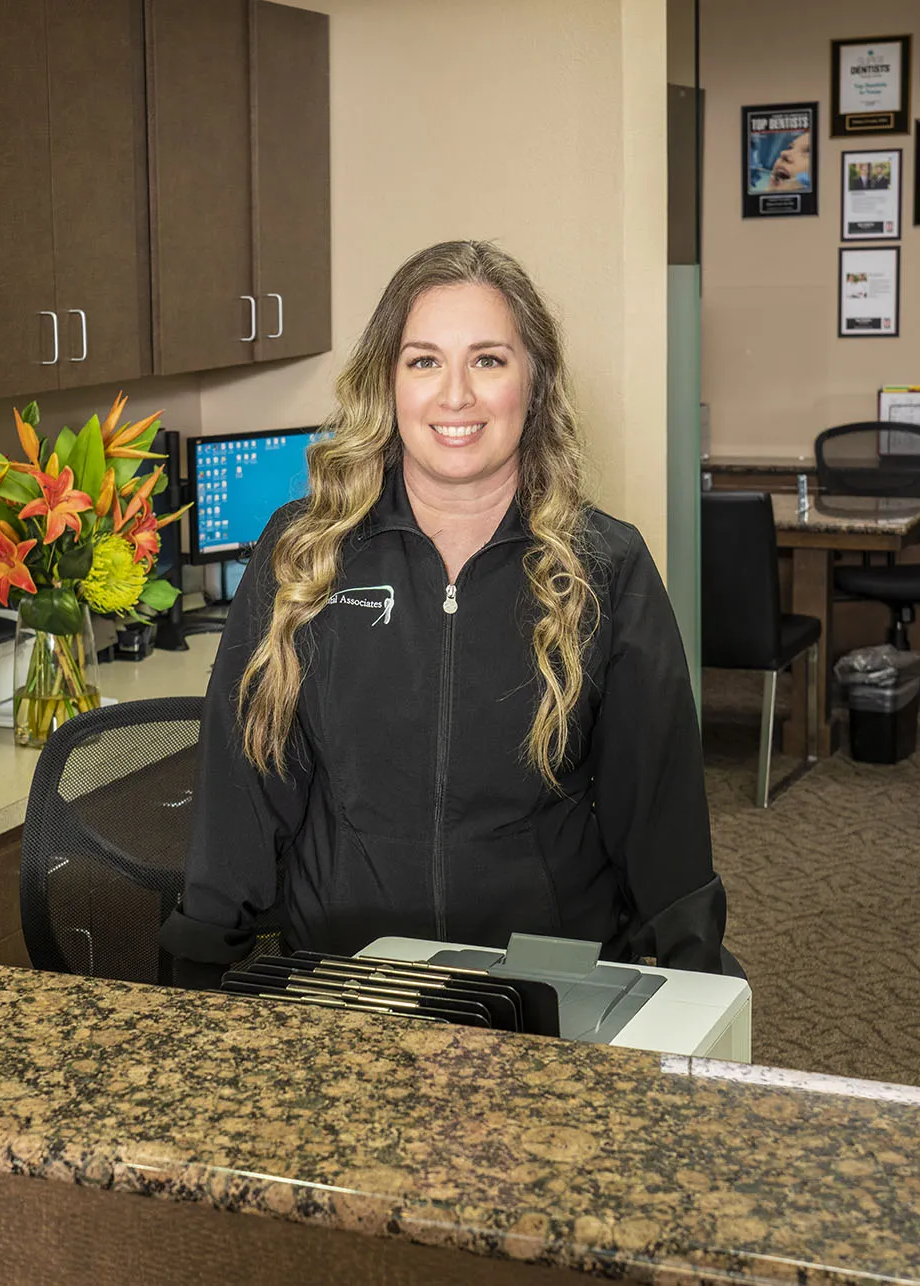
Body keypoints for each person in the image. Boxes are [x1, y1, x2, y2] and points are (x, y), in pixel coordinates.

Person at [158, 241, 728, 989]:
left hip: (540, 993)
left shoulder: (604, 567)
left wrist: (698, 986)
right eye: (424, 361)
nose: (454, 395)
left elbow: (659, 811)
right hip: (346, 982)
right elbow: (245, 784)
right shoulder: (304, 555)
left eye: (488, 360)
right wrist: (195, 966)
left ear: (535, 382)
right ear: (388, 384)